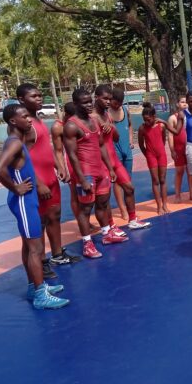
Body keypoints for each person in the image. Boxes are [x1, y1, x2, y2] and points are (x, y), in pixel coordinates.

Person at [0, 104, 70, 309]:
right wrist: (15, 187)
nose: (29, 120)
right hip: (24, 201)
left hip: (27, 200)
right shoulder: (14, 143)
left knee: (29, 246)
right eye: (24, 117)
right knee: (36, 248)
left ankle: (33, 287)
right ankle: (40, 295)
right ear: (13, 121)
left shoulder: (17, 141)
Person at [16, 84, 79, 276]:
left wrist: (59, 165)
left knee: (55, 216)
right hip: (38, 181)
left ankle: (57, 254)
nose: (39, 98)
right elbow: (21, 158)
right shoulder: (24, 127)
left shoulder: (38, 120)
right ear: (21, 100)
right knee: (41, 222)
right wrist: (38, 183)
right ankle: (41, 261)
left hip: (50, 177)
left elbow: (45, 148)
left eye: (39, 95)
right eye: (33, 96)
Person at [63, 88, 128, 259]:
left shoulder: (94, 120)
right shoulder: (71, 126)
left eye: (89, 101)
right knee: (85, 209)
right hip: (86, 173)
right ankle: (87, 243)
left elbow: (101, 145)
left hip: (100, 170)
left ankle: (106, 234)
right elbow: (72, 155)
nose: (89, 105)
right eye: (84, 102)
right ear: (76, 104)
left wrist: (110, 168)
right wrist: (81, 179)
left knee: (103, 203)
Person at [92, 85, 150, 230]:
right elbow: (93, 143)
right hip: (102, 161)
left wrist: (112, 127)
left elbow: (116, 138)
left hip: (114, 159)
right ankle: (111, 226)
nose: (108, 101)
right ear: (96, 98)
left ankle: (133, 220)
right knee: (104, 197)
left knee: (129, 188)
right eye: (105, 99)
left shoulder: (108, 116)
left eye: (109, 99)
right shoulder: (92, 118)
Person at [138, 102, 177, 214]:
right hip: (151, 156)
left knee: (163, 180)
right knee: (155, 181)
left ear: (154, 116)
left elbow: (164, 139)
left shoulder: (161, 126)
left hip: (161, 155)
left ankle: (165, 205)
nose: (146, 122)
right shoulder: (142, 128)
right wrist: (147, 155)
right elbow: (141, 145)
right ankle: (159, 206)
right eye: (144, 120)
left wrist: (164, 121)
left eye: (148, 119)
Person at [51, 102, 80, 222]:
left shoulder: (79, 121)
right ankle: (82, 223)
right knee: (75, 193)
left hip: (83, 160)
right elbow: (58, 150)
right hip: (69, 161)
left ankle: (85, 220)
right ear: (66, 114)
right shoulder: (58, 127)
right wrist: (62, 169)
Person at [109, 88, 134, 219]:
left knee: (128, 180)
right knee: (118, 181)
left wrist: (130, 140)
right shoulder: (106, 113)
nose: (117, 105)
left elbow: (129, 125)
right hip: (114, 150)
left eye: (119, 103)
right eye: (115, 103)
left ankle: (130, 208)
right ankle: (122, 209)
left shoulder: (125, 110)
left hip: (126, 148)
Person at [167, 95, 192, 203]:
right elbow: (170, 135)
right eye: (182, 102)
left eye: (186, 102)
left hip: (190, 147)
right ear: (177, 104)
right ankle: (177, 195)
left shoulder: (191, 116)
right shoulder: (173, 118)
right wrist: (172, 150)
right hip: (178, 148)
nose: (185, 104)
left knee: (190, 171)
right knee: (179, 171)